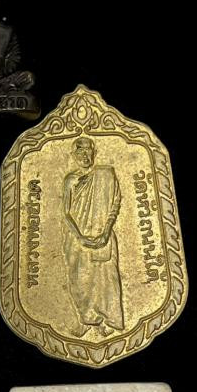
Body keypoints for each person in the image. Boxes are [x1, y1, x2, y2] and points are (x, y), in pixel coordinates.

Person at [62, 138, 124, 337]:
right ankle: (87, 319)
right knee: (79, 281)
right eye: (80, 152)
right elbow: (66, 213)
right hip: (77, 239)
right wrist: (80, 237)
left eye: (88, 151)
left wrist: (105, 232)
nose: (85, 155)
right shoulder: (70, 180)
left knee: (106, 279)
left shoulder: (106, 175)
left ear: (94, 153)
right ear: (74, 155)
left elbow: (115, 203)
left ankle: (107, 320)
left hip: (103, 236)